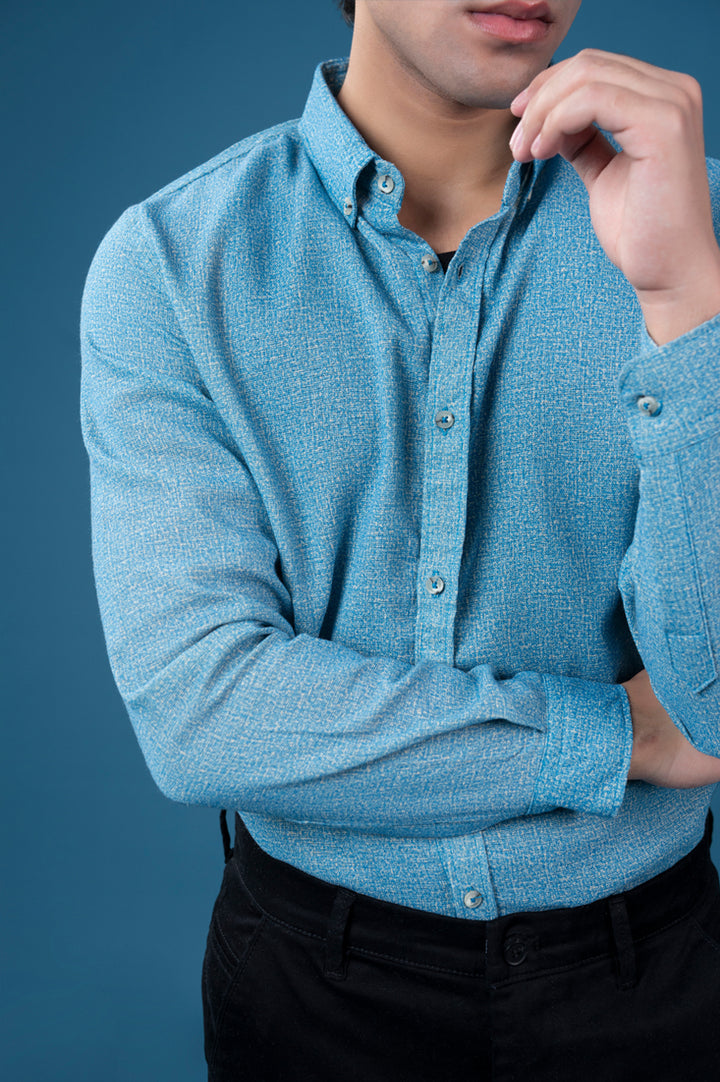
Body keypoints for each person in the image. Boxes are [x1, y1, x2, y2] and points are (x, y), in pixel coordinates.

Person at [80, 0, 720, 1077]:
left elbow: (716, 701)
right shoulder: (173, 264)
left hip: (656, 980)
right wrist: (621, 735)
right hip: (309, 986)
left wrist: (686, 305)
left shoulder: (700, 236)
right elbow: (204, 712)